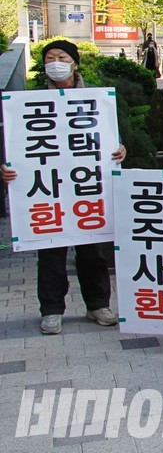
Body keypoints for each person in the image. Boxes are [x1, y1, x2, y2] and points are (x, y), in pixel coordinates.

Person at [1, 40, 125, 335]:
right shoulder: (27, 103)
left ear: (74, 63)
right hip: (48, 191)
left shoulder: (97, 99)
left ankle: (98, 305)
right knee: (51, 252)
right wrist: (6, 167)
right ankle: (52, 310)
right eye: (49, 57)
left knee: (92, 251)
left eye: (62, 56)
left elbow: (114, 137)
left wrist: (121, 149)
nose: (55, 61)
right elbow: (13, 146)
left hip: (86, 190)